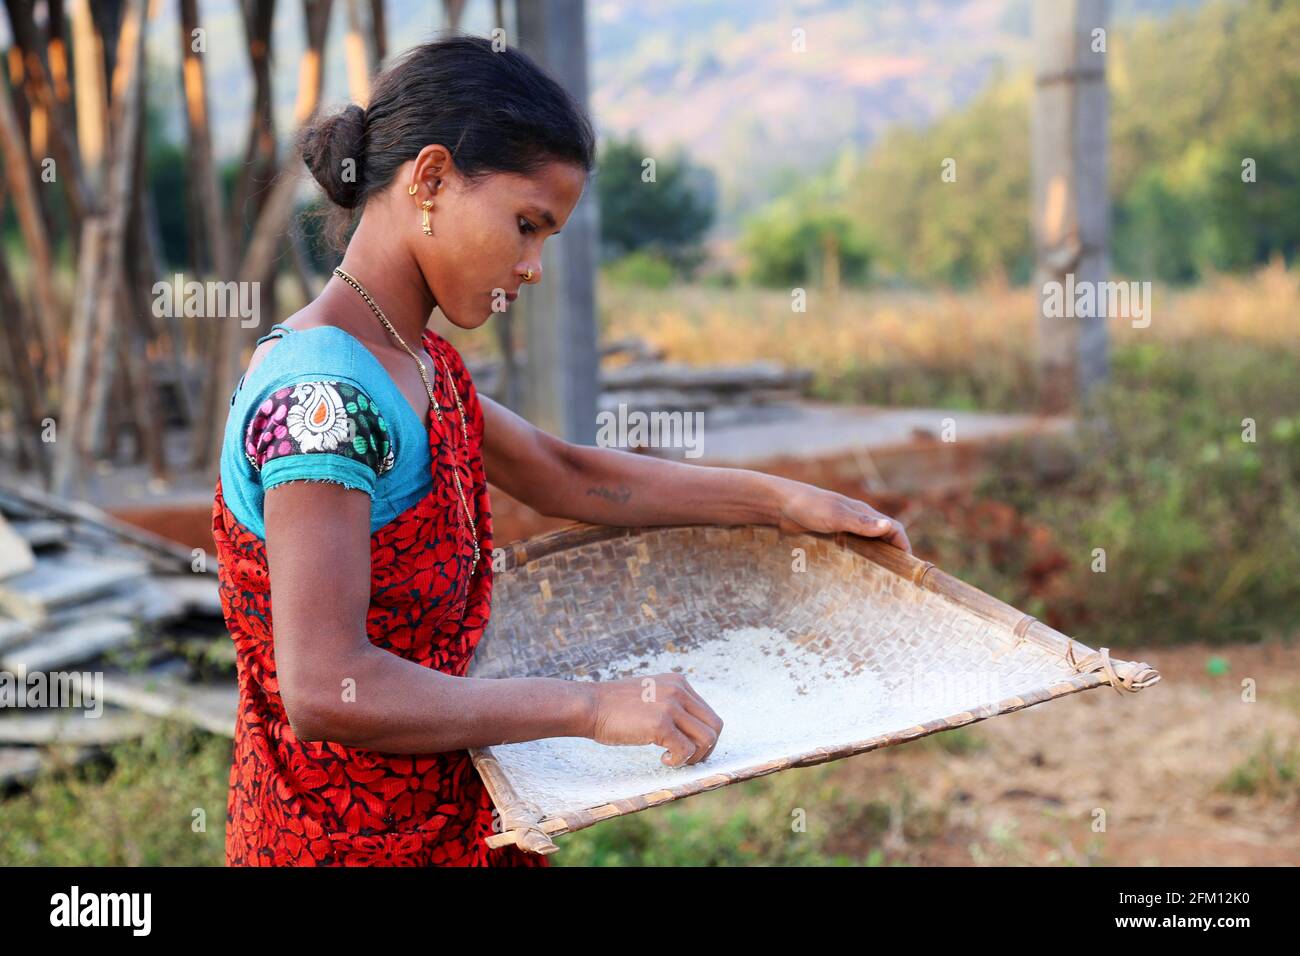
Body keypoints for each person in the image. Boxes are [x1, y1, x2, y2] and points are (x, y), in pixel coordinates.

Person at [211, 35, 911, 867]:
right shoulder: (321, 401)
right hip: (345, 843)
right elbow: (327, 688)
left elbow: (564, 472)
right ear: (430, 180)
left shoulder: (417, 361)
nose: (534, 266)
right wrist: (589, 707)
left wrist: (785, 503)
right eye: (526, 225)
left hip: (464, 813)